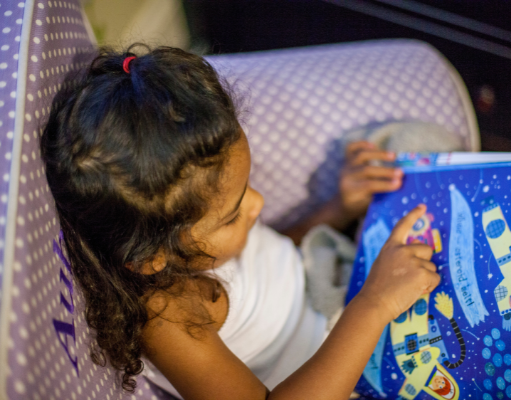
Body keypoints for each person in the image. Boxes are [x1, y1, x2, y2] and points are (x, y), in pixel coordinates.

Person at [41, 45, 440, 400]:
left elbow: (269, 262)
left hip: (334, 284)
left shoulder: (199, 243)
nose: (259, 204)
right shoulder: (166, 314)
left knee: (417, 143)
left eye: (247, 186)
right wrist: (373, 304)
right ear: (153, 257)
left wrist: (338, 209)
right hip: (345, 366)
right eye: (233, 214)